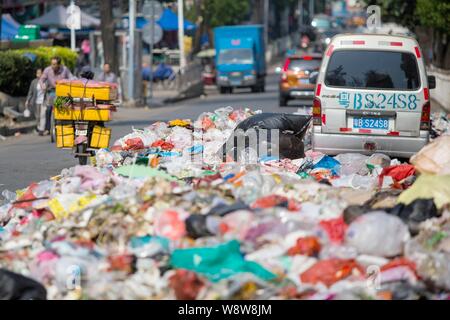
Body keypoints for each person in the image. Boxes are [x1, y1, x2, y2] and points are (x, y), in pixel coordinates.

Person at [40, 56, 74, 135]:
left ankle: (67, 125)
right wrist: (43, 85)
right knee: (48, 108)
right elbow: (41, 79)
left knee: (65, 108)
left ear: (59, 64)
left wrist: (69, 82)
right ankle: (47, 128)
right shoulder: (47, 70)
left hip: (63, 92)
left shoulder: (65, 69)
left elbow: (72, 78)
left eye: (55, 64)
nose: (53, 66)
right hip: (52, 91)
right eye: (52, 64)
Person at [25, 68, 46, 135]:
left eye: (40, 73)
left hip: (44, 101)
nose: (38, 74)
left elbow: (48, 90)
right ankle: (39, 127)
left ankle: (41, 130)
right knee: (37, 116)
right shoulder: (34, 82)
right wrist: (27, 100)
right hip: (36, 101)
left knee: (43, 115)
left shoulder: (46, 81)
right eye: (37, 73)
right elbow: (30, 92)